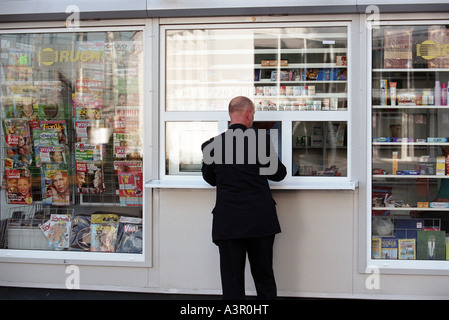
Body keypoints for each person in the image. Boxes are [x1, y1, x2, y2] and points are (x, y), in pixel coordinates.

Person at [201, 96, 286, 300]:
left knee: (231, 281)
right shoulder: (260, 143)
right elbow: (279, 174)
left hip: (228, 221)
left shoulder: (211, 146)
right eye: (253, 114)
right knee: (264, 277)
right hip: (260, 220)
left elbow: (210, 179)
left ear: (230, 115)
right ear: (249, 113)